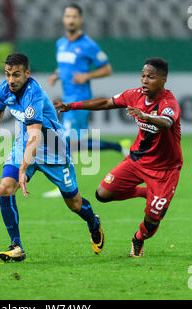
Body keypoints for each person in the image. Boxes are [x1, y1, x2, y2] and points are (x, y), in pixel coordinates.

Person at [54, 57, 183, 258]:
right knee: (103, 194)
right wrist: (71, 106)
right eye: (143, 76)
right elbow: (106, 102)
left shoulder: (169, 103)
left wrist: (146, 116)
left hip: (164, 170)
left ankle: (138, 239)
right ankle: (146, 193)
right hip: (137, 160)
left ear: (163, 80)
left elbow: (166, 123)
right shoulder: (134, 95)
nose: (145, 80)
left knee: (152, 219)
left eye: (151, 77)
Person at [0, 53, 104, 262]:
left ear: (27, 74)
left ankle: (93, 222)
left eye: (16, 75)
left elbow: (36, 135)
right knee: (5, 188)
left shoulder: (33, 95)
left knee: (74, 204)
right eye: (8, 74)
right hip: (24, 145)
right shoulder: (4, 88)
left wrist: (22, 169)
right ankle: (16, 246)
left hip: (53, 151)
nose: (11, 80)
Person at [43, 3, 131, 198]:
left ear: (80, 20)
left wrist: (86, 76)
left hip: (80, 101)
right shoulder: (61, 43)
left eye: (74, 16)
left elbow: (107, 69)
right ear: (64, 19)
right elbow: (65, 66)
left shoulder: (88, 45)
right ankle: (119, 146)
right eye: (68, 16)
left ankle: (64, 185)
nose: (71, 20)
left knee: (64, 142)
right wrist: (56, 74)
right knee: (77, 144)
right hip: (67, 98)